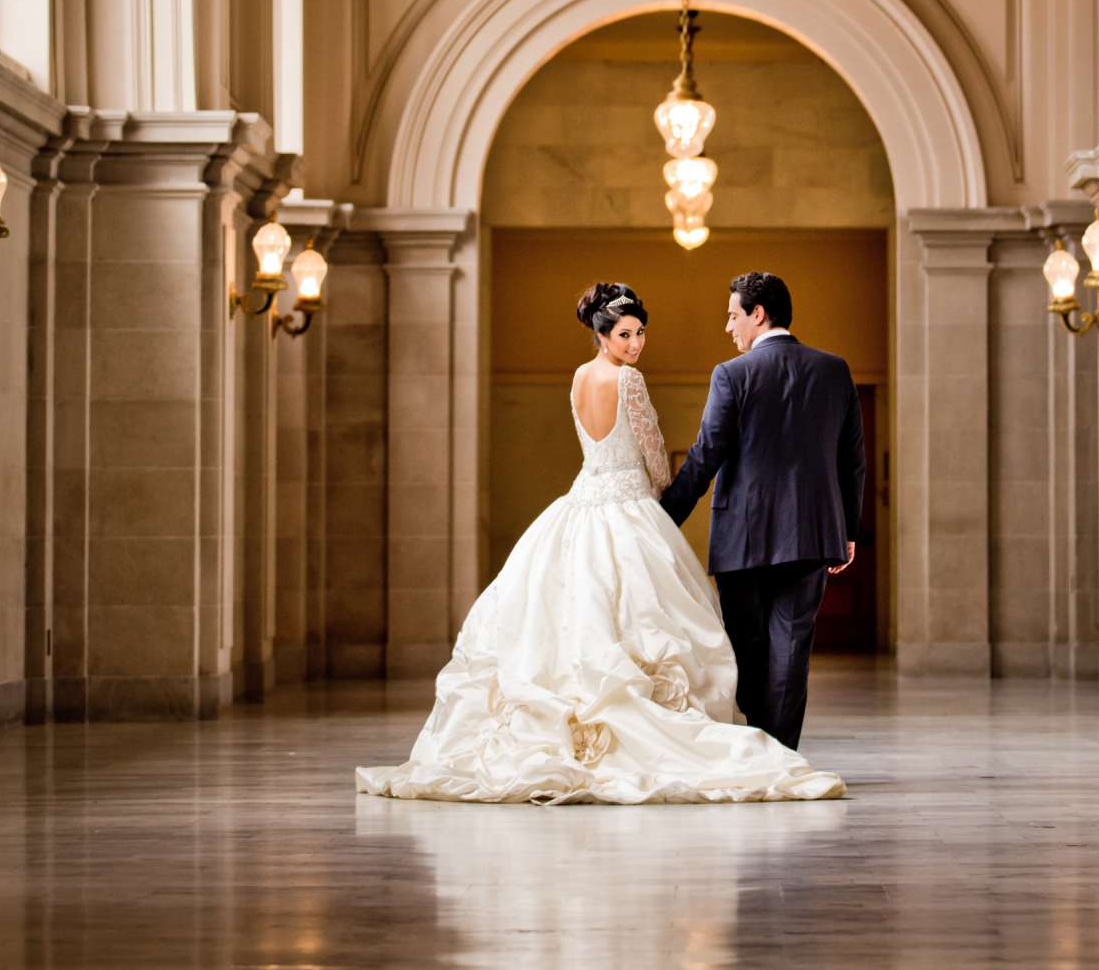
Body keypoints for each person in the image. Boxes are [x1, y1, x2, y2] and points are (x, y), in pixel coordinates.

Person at [355, 280, 843, 804]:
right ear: (603, 333)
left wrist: (661, 500)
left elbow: (638, 448)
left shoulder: (579, 378)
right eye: (627, 334)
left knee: (574, 617)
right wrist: (659, 506)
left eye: (640, 334)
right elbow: (656, 456)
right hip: (638, 506)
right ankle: (766, 745)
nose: (635, 344)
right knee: (669, 627)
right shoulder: (631, 381)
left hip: (580, 505)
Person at [660, 270, 865, 754]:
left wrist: (662, 518)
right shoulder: (834, 369)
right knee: (792, 651)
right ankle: (783, 755)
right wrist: (847, 531)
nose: (729, 327)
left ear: (758, 314)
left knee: (747, 652)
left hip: (743, 538)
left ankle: (755, 754)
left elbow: (705, 455)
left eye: (734, 316)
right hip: (814, 535)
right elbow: (852, 458)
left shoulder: (733, 374)